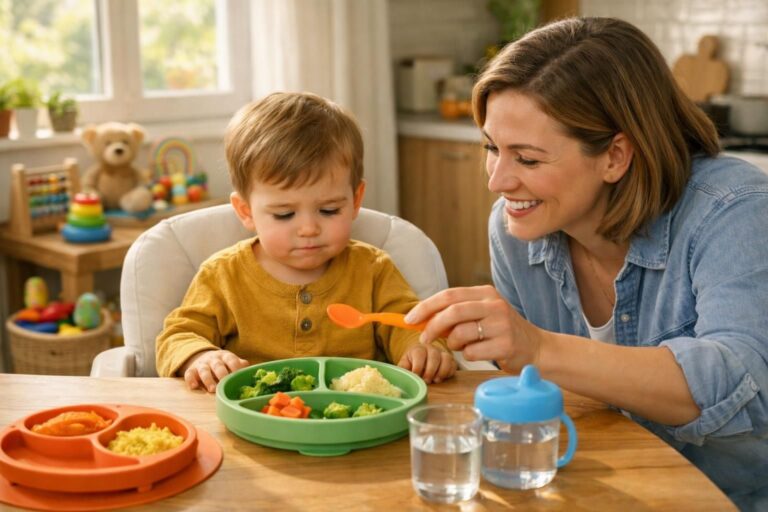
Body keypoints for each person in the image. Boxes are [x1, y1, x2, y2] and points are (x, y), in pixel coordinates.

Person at [406, 17, 768, 511]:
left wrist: (537, 347)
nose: (497, 181)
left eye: (527, 159)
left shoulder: (734, 210)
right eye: (492, 148)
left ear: (615, 156)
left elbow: (745, 383)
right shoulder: (515, 230)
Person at [156, 92, 456, 392]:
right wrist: (201, 356)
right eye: (284, 214)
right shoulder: (222, 275)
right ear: (246, 211)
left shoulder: (373, 269)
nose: (309, 229)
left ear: (355, 201)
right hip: (253, 417)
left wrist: (421, 349)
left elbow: (408, 323)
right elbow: (178, 336)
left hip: (357, 417)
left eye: (329, 210)